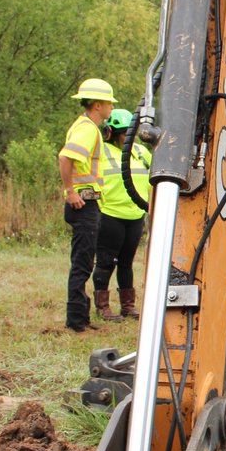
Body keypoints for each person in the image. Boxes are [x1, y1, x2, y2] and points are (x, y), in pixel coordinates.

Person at [58, 78, 114, 332]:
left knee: (85, 261)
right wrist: (70, 191)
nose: (111, 108)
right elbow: (65, 157)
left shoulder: (87, 127)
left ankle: (82, 318)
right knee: (82, 263)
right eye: (109, 104)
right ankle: (76, 321)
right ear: (98, 104)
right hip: (83, 203)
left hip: (87, 202)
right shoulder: (88, 129)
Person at [92, 108, 152, 321]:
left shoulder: (141, 153)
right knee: (106, 261)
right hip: (110, 215)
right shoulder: (102, 153)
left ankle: (128, 306)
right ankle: (103, 306)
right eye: (123, 132)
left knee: (126, 262)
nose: (126, 136)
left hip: (135, 215)